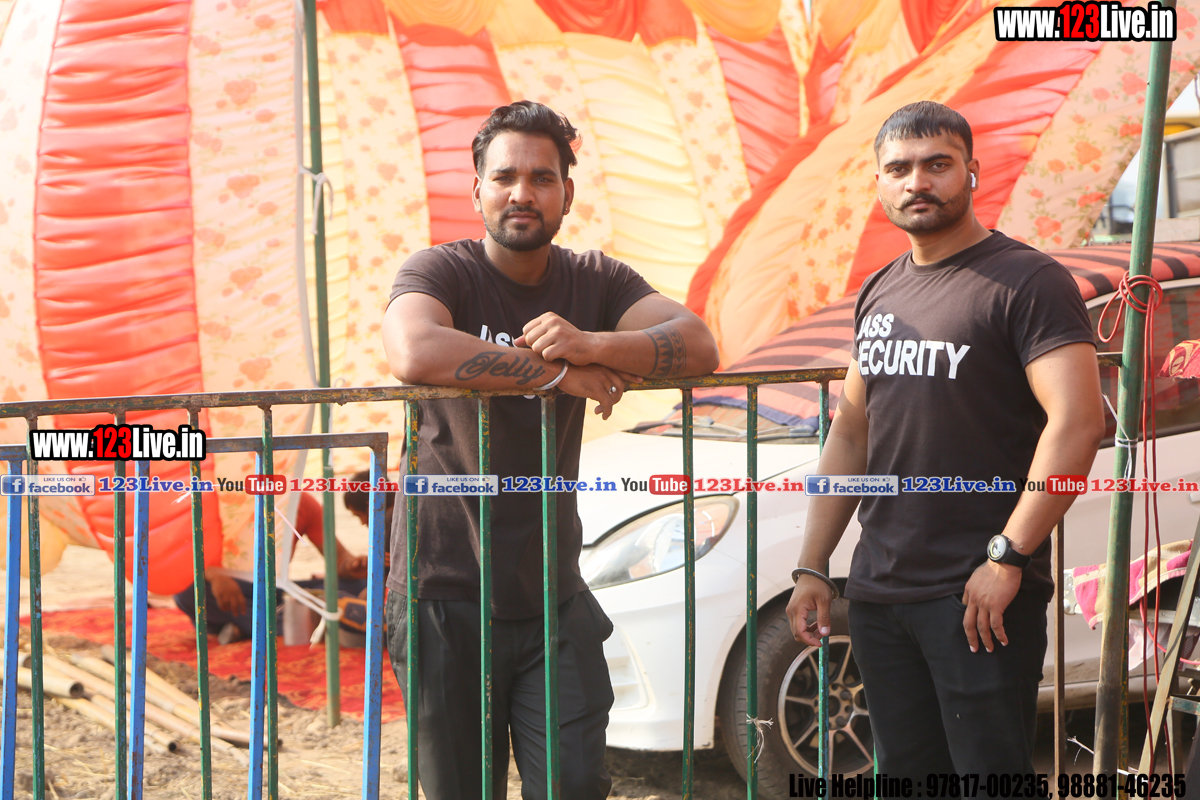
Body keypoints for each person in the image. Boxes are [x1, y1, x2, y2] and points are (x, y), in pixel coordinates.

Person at [381, 100, 719, 800]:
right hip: (443, 587)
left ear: (566, 191)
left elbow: (698, 344)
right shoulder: (442, 271)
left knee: (574, 784)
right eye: (504, 177)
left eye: (541, 178)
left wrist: (592, 343)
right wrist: (558, 374)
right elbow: (413, 350)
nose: (522, 193)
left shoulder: (595, 280)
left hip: (551, 591)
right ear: (477, 189)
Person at [785, 101, 1106, 776]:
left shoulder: (1028, 281)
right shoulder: (880, 290)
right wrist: (814, 565)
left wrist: (1008, 557)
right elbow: (851, 432)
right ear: (879, 182)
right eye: (899, 169)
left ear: (972, 172)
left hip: (978, 593)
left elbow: (1078, 423)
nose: (917, 183)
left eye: (937, 164)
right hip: (879, 595)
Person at [175, 490, 370, 643]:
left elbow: (339, 558)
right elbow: (185, 556)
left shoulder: (301, 501)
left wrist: (352, 566)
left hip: (276, 589)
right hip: (231, 588)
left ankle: (249, 626)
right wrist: (217, 576)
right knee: (186, 589)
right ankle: (292, 623)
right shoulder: (224, 498)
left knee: (360, 584)